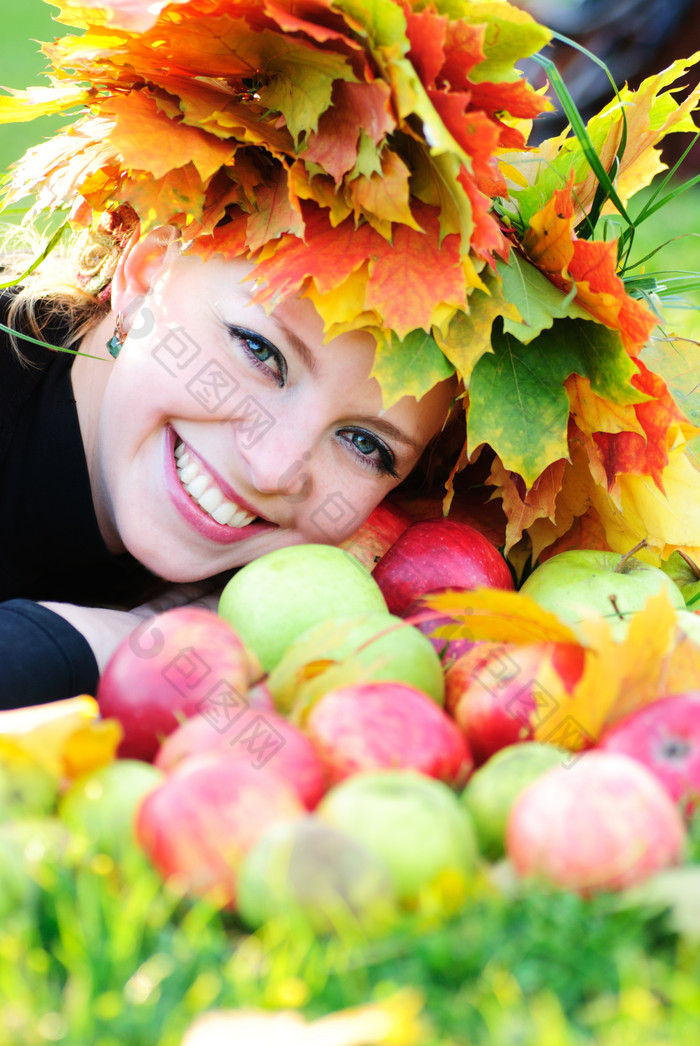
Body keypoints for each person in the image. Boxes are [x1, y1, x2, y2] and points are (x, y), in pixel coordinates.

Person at [0, 0, 552, 706]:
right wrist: (109, 644)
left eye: (364, 444)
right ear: (143, 276)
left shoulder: (344, 586)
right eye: (260, 352)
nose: (274, 466)